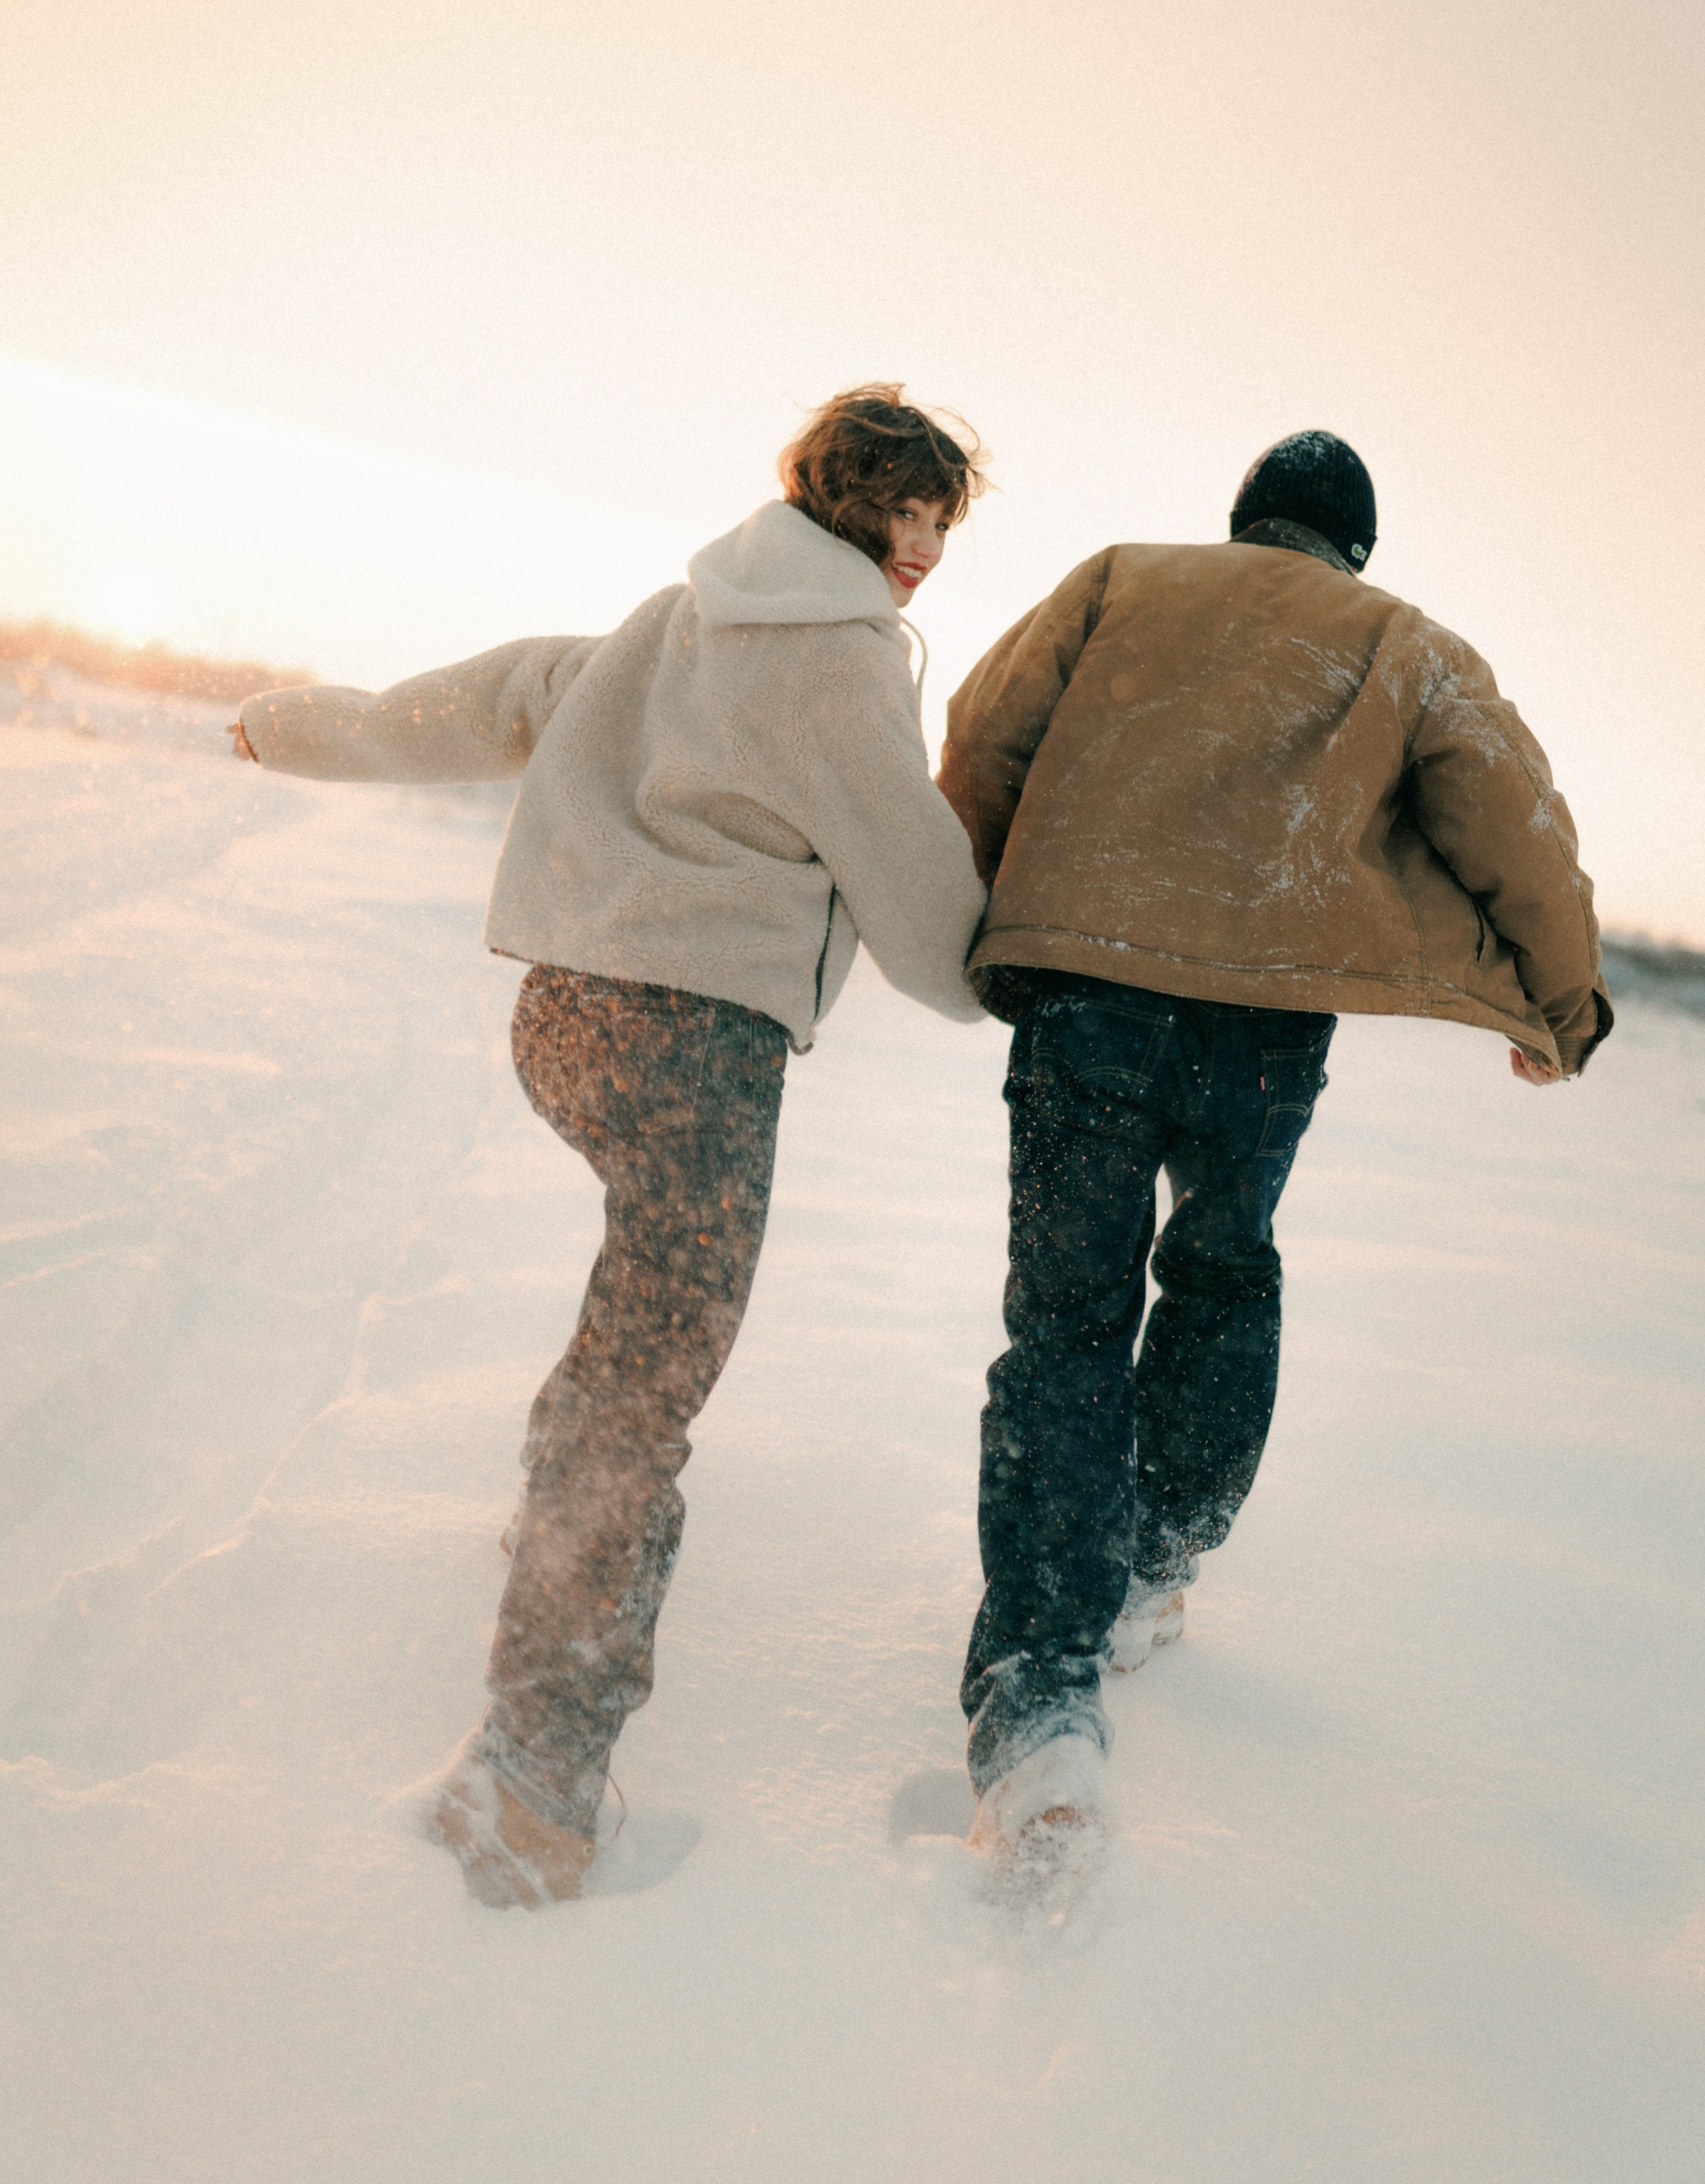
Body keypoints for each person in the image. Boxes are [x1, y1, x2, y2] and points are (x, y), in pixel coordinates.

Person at [230, 385, 988, 1906]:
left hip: (565, 1024)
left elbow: (490, 698)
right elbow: (910, 888)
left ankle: (546, 1505)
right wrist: (1000, 981)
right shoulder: (837, 666)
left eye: (942, 526)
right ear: (857, 507)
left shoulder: (678, 615)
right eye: (915, 518)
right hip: (695, 1051)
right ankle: (537, 1772)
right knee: (645, 1394)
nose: (926, 552)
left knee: (631, 1318)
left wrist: (292, 726)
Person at [935, 430, 1612, 1866]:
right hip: (1262, 1024)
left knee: (1062, 1320)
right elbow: (1517, 826)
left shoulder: (1122, 579)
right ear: (1351, 547)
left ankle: (1039, 1701)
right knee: (1222, 1268)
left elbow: (985, 743)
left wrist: (1000, 898)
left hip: (1086, 990)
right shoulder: (1402, 643)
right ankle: (1150, 1567)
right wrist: (1561, 1004)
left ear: (1244, 519)